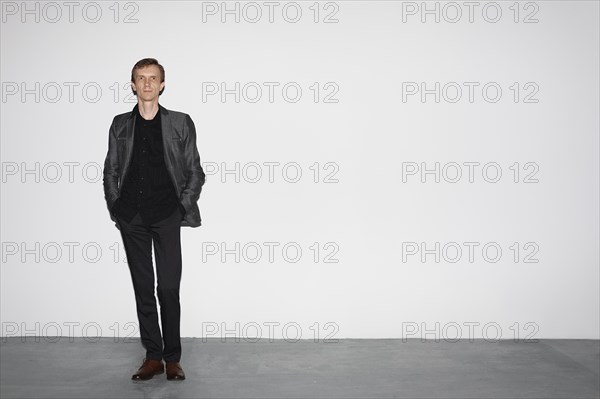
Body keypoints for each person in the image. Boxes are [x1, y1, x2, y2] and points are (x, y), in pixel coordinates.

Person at [102, 58, 205, 381]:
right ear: (133, 84)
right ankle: (153, 357)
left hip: (166, 215)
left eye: (153, 78)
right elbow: (111, 170)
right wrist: (116, 207)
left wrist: (181, 206)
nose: (147, 84)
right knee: (143, 287)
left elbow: (194, 172)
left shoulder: (180, 123)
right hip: (131, 216)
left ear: (162, 84)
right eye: (140, 78)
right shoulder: (120, 125)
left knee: (169, 288)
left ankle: (173, 358)